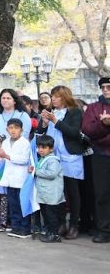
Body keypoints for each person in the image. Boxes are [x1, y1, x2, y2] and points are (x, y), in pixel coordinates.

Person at [41, 85, 85, 239]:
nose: (53, 98)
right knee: (58, 192)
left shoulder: (75, 112)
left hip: (70, 157)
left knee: (73, 192)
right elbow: (44, 135)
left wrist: (56, 121)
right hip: (54, 157)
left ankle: (74, 225)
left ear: (65, 97)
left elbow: (73, 132)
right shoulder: (53, 113)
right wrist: (45, 124)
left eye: (57, 96)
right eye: (52, 96)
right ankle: (60, 223)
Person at [81, 75, 110, 243]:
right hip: (101, 156)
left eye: (108, 87)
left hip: (102, 148)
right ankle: (104, 229)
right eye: (103, 87)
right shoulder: (93, 108)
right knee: (102, 194)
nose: (105, 90)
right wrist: (104, 125)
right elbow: (88, 130)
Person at [0, 118, 32, 238]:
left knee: (22, 205)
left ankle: (25, 229)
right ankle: (16, 227)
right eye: (11, 128)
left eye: (16, 128)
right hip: (9, 179)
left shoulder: (25, 143)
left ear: (21, 130)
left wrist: (7, 155)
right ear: (7, 129)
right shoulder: (5, 142)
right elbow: (4, 159)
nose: (13, 130)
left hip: (21, 178)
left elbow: (24, 160)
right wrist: (2, 155)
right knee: (13, 204)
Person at [35, 134, 65, 243]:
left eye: (44, 147)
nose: (40, 150)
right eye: (39, 147)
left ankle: (54, 234)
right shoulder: (43, 159)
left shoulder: (53, 160)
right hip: (45, 194)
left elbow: (52, 174)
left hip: (51, 195)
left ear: (51, 148)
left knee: (52, 216)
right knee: (46, 215)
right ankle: (49, 232)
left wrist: (36, 172)